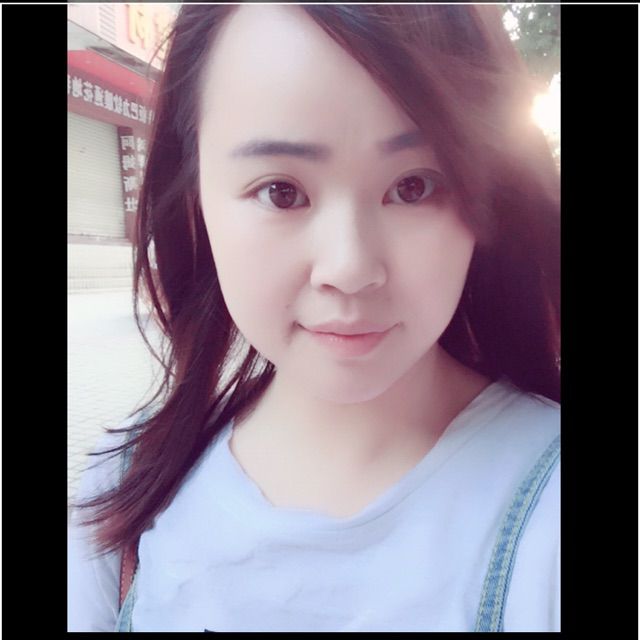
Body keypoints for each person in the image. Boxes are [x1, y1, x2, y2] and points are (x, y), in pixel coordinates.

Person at [67, 4, 560, 632]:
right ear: (197, 200)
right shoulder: (122, 484)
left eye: (414, 186)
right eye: (282, 192)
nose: (349, 268)